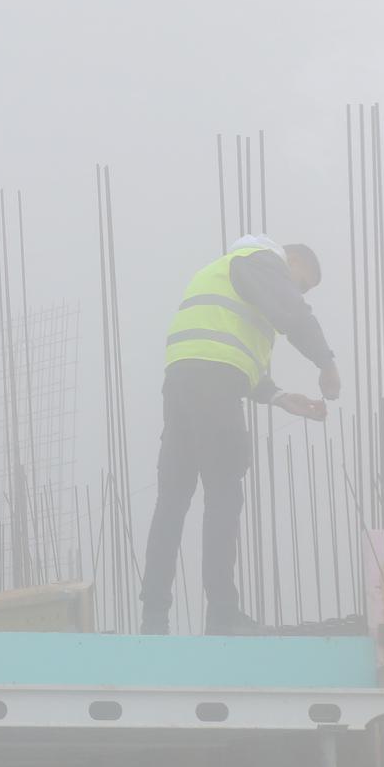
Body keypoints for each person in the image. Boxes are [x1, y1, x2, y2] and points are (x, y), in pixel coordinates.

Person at [140, 236, 340, 636]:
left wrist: (280, 397)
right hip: (213, 384)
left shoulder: (229, 273)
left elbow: (231, 353)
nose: (297, 291)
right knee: (224, 491)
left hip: (182, 382)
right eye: (302, 282)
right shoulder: (261, 261)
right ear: (292, 259)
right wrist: (326, 363)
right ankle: (222, 613)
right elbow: (292, 315)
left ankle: (155, 615)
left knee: (174, 497)